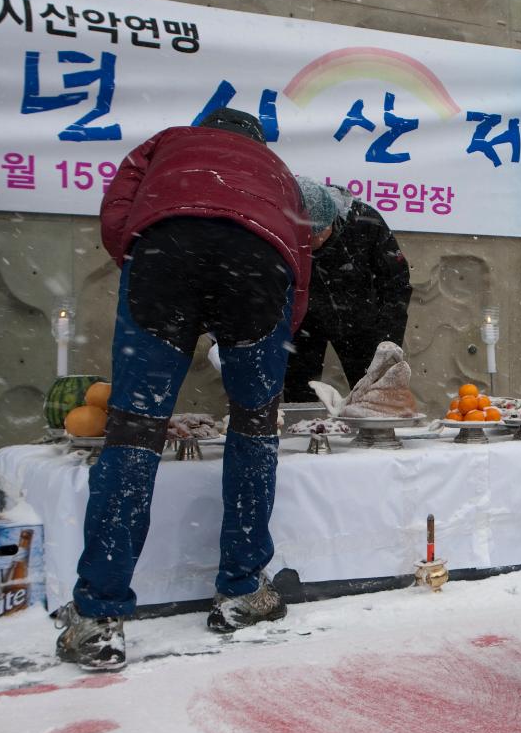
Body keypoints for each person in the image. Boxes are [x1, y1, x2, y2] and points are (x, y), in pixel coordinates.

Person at [54, 108, 319, 671]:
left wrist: (145, 264)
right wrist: (272, 343)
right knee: (254, 427)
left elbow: (117, 214)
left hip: (165, 250)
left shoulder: (170, 141)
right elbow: (299, 262)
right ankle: (243, 589)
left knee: (135, 430)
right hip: (258, 261)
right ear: (255, 141)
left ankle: (99, 616)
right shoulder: (275, 170)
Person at [282, 179, 413, 403]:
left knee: (373, 396)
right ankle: (307, 435)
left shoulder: (365, 222)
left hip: (360, 321)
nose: (310, 244)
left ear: (330, 221)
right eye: (302, 238)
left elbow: (396, 282)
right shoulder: (280, 229)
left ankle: (373, 434)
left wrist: (389, 340)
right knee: (299, 395)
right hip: (303, 324)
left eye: (315, 235)